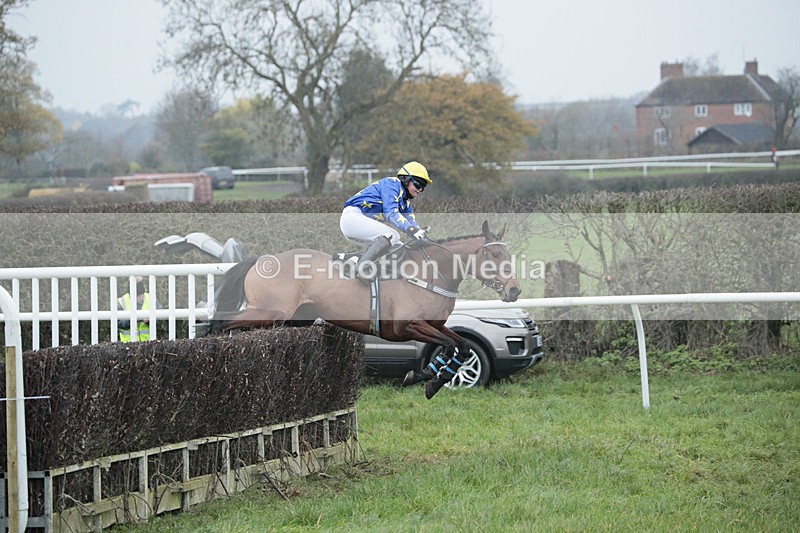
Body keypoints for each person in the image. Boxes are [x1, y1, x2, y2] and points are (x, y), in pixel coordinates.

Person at [340, 161, 432, 283]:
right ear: (406, 179)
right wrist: (412, 231)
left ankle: (352, 260)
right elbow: (391, 214)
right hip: (352, 218)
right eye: (418, 184)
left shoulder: (406, 201)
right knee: (392, 235)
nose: (420, 190)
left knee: (398, 247)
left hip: (360, 223)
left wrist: (424, 239)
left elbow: (411, 221)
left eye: (423, 187)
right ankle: (362, 268)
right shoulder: (392, 184)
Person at [117, 277, 157, 342]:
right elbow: (119, 324)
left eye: (141, 296)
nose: (139, 299)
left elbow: (161, 319)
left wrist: (150, 320)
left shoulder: (151, 299)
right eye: (137, 296)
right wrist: (137, 319)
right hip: (128, 344)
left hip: (148, 343)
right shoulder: (121, 302)